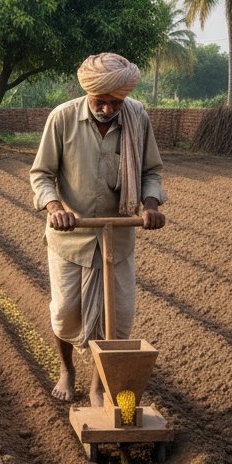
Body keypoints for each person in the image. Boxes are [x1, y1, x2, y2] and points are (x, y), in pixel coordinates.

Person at [30, 52, 166, 404]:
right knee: (64, 314)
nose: (107, 109)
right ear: (88, 93)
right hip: (71, 239)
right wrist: (55, 207)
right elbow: (42, 174)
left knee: (117, 320)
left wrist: (150, 204)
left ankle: (97, 384)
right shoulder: (62, 118)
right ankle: (67, 369)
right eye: (100, 101)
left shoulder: (137, 119)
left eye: (115, 102)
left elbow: (151, 171)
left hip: (118, 237)